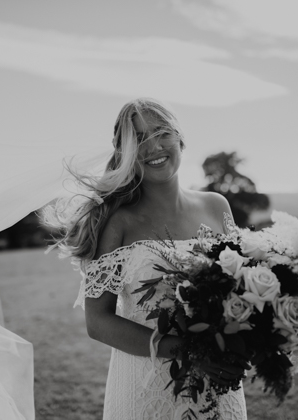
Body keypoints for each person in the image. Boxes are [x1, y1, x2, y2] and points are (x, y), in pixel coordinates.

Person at [44, 97, 248, 419]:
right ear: (124, 153)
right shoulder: (118, 223)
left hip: (219, 380)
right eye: (138, 139)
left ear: (180, 139)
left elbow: (240, 290)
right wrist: (192, 353)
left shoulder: (217, 206)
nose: (153, 147)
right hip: (147, 387)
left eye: (162, 132)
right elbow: (98, 323)